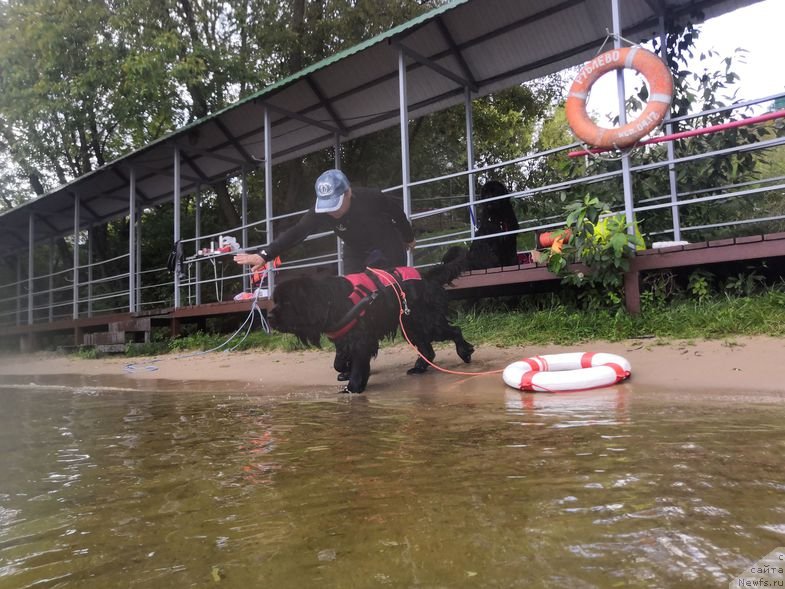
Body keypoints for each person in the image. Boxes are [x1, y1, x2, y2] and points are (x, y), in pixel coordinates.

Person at [233, 169, 415, 274]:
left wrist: (408, 237)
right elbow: (298, 231)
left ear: (348, 193)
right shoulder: (321, 211)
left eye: (335, 204)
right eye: (327, 206)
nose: (332, 212)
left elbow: (397, 214)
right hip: (355, 246)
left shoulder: (371, 197)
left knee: (396, 280)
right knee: (352, 286)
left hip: (386, 240)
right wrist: (265, 254)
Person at [468, 180, 520, 269]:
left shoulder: (509, 217)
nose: (489, 197)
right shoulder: (486, 220)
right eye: (486, 194)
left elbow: (512, 243)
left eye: (493, 194)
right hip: (487, 264)